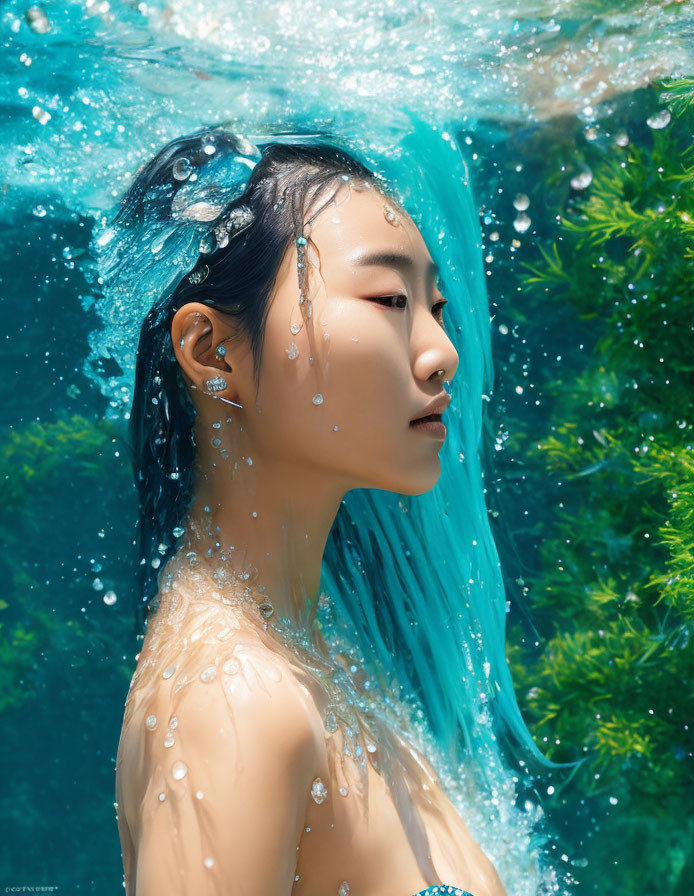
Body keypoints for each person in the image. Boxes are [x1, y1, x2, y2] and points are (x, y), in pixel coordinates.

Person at [107, 125, 548, 896]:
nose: (442, 351)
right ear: (213, 353)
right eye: (388, 299)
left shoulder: (311, 643)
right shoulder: (234, 701)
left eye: (434, 306)